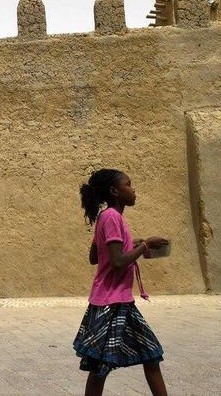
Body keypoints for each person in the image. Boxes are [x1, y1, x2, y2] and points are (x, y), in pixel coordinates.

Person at [73, 169, 170, 396]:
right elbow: (117, 262)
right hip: (111, 304)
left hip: (121, 302)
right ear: (115, 191)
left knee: (151, 354)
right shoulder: (112, 218)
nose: (133, 189)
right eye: (129, 184)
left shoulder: (106, 218)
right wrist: (144, 246)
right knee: (100, 366)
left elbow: (95, 257)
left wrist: (134, 243)